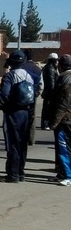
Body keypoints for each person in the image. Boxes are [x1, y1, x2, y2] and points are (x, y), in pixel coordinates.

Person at [0, 50, 34, 183]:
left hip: (13, 112)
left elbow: (4, 94)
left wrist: (0, 103)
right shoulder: (28, 75)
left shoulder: (10, 76)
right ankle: (20, 172)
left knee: (13, 142)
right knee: (22, 143)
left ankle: (12, 174)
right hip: (26, 112)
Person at [47, 54, 71, 186]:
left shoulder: (65, 78)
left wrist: (55, 121)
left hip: (65, 119)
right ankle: (62, 173)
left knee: (64, 148)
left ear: (60, 65)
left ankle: (68, 176)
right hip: (66, 119)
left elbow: (63, 103)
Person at [22, 49, 43, 145]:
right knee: (32, 117)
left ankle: (21, 137)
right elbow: (41, 84)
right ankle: (31, 139)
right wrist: (37, 93)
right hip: (32, 95)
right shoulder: (37, 69)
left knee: (21, 115)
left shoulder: (22, 67)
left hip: (21, 95)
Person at [41, 53, 60, 130]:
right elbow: (51, 82)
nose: (57, 62)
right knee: (48, 108)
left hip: (48, 92)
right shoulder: (50, 69)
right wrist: (54, 92)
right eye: (56, 60)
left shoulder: (49, 67)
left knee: (47, 108)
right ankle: (46, 124)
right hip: (50, 92)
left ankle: (46, 123)